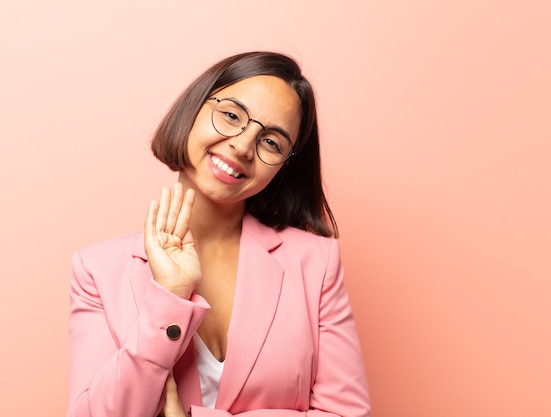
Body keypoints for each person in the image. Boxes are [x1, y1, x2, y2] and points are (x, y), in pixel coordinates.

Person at [67, 51, 371, 417]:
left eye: (271, 142)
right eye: (231, 116)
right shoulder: (97, 270)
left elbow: (348, 413)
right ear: (195, 108)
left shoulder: (316, 262)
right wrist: (170, 296)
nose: (242, 147)